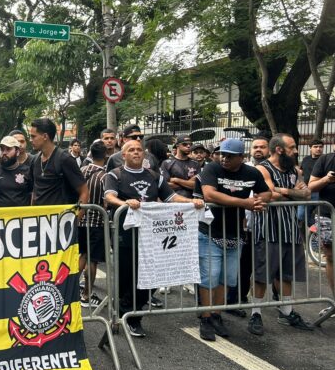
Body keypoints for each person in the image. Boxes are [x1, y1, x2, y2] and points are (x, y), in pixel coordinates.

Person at [103, 139, 204, 337]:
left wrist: (192, 202)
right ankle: (119, 315)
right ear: (123, 155)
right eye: (131, 150)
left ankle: (131, 316)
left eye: (139, 150)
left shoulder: (153, 176)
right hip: (125, 236)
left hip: (152, 237)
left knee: (152, 278)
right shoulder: (114, 175)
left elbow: (171, 198)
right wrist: (125, 203)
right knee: (125, 279)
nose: (136, 153)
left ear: (144, 154)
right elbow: (109, 197)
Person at [198, 138, 271, 341]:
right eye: (222, 154)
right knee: (209, 277)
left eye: (230, 156)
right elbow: (210, 194)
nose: (224, 158)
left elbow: (266, 192)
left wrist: (258, 200)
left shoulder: (251, 172)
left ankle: (216, 315)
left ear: (242, 157)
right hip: (209, 233)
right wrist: (244, 203)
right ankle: (205, 317)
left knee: (227, 279)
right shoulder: (212, 169)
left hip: (235, 235)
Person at [249, 134, 312, 336]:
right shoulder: (262, 168)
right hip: (268, 229)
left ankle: (286, 311)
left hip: (290, 229)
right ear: (280, 149)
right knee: (262, 275)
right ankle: (255, 313)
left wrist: (283, 190)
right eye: (292, 147)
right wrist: (291, 191)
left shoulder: (294, 170)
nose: (295, 151)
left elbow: (307, 193)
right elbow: (267, 194)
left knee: (287, 274)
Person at [29, 118, 88, 206]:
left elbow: (84, 192)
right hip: (39, 218)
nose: (30, 140)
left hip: (61, 217)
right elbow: (34, 192)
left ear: (45, 136)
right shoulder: (35, 160)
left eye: (33, 136)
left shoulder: (65, 159)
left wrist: (75, 218)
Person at [79, 140, 107, 308]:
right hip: (96, 222)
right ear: (105, 155)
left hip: (80, 220)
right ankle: (87, 294)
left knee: (82, 254)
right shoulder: (105, 176)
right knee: (93, 260)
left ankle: (71, 287)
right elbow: (106, 202)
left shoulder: (82, 170)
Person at [308, 147, 335, 317]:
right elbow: (311, 186)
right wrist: (327, 179)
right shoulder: (325, 160)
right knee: (331, 257)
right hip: (327, 215)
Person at [0, 136, 33, 208]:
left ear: (17, 152)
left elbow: (33, 195)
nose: (4, 152)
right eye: (2, 149)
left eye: (8, 149)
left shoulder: (27, 171)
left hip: (22, 218)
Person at [298, 139, 324, 225]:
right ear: (310, 148)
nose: (318, 149)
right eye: (315, 147)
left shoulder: (325, 159)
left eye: (320, 147)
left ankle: (315, 232)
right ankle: (313, 230)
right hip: (306, 192)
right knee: (300, 216)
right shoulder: (306, 159)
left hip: (320, 192)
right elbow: (300, 173)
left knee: (320, 217)